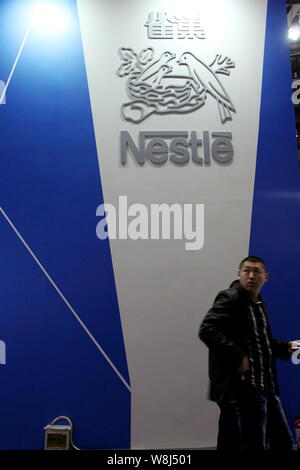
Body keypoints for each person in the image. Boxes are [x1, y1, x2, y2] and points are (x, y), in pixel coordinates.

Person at [199, 256, 295, 451]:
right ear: (239, 274)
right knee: (246, 443)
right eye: (247, 271)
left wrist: (286, 347)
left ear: (266, 277)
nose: (251, 276)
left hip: (265, 386)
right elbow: (208, 329)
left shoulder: (259, 304)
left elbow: (261, 341)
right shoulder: (230, 298)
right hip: (242, 388)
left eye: (257, 272)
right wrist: (238, 355)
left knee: (282, 441)